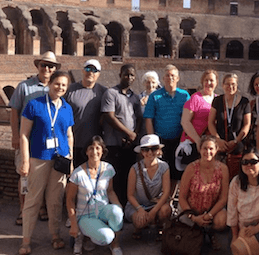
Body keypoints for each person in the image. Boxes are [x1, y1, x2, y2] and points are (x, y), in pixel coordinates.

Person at [18, 70, 74, 255]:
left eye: (64, 85)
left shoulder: (67, 108)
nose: (60, 87)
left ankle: (55, 235)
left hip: (60, 160)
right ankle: (26, 240)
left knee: (55, 201)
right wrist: (25, 161)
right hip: (39, 158)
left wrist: (70, 159)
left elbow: (69, 135)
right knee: (33, 200)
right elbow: (24, 135)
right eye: (57, 83)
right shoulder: (34, 105)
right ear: (50, 83)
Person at [10, 51, 60, 225]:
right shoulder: (25, 86)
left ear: (55, 69)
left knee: (44, 175)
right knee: (25, 175)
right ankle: (24, 210)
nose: (46, 68)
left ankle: (41, 208)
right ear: (38, 66)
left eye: (50, 65)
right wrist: (15, 135)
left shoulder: (57, 87)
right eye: (43, 65)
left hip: (47, 141)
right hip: (27, 139)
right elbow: (14, 111)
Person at [66, 136, 124, 255]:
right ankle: (83, 236)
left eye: (98, 148)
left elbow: (110, 191)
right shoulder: (78, 173)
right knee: (106, 236)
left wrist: (118, 207)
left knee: (117, 212)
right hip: (85, 215)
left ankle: (115, 245)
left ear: (102, 151)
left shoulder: (108, 168)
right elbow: (70, 200)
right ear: (86, 151)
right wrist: (73, 224)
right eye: (91, 148)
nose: (94, 152)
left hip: (102, 209)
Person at [178, 135, 229, 250]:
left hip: (211, 211)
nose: (208, 152)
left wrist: (209, 215)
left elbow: (223, 198)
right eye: (205, 148)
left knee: (222, 220)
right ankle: (200, 233)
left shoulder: (223, 169)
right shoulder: (191, 168)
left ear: (216, 150)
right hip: (190, 211)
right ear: (199, 149)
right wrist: (193, 217)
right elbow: (182, 197)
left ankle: (209, 232)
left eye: (211, 148)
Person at [101, 64, 142, 206]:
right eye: (126, 74)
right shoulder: (111, 93)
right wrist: (128, 133)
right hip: (114, 143)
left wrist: (134, 135)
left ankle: (125, 207)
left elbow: (139, 118)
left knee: (127, 176)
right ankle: (114, 208)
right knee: (114, 177)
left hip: (129, 144)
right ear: (120, 75)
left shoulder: (135, 97)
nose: (129, 77)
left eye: (132, 75)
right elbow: (109, 116)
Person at [145, 65, 190, 184]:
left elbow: (189, 118)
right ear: (163, 78)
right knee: (159, 171)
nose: (170, 78)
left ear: (178, 78)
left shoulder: (185, 96)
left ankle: (171, 198)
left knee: (177, 172)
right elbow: (149, 119)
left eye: (173, 75)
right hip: (161, 141)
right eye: (167, 75)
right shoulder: (155, 96)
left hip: (179, 140)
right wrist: (153, 144)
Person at [125, 134, 172, 239]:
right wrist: (140, 209)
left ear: (159, 150)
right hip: (138, 205)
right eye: (146, 149)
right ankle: (142, 227)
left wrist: (153, 212)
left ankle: (158, 224)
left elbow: (166, 193)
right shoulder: (134, 169)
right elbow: (130, 195)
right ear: (142, 152)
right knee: (139, 222)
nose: (150, 152)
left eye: (154, 148)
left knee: (165, 210)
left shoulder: (164, 167)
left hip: (155, 204)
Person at [208, 73, 251, 178]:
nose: (230, 87)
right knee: (218, 178)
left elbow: (247, 124)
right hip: (220, 147)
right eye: (227, 84)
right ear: (222, 85)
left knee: (236, 179)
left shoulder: (244, 102)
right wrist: (218, 139)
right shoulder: (217, 101)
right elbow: (210, 122)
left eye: (233, 84)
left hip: (237, 148)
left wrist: (236, 140)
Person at [65, 59, 107, 167]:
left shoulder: (104, 92)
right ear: (83, 71)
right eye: (88, 69)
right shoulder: (69, 90)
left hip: (93, 147)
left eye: (94, 70)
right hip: (71, 143)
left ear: (99, 74)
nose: (90, 72)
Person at [178, 69, 218, 169]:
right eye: (206, 80)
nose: (209, 83)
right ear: (202, 82)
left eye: (211, 80)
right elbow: (185, 121)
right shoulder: (195, 98)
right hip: (193, 144)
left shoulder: (218, 99)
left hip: (209, 147)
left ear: (216, 82)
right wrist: (198, 141)